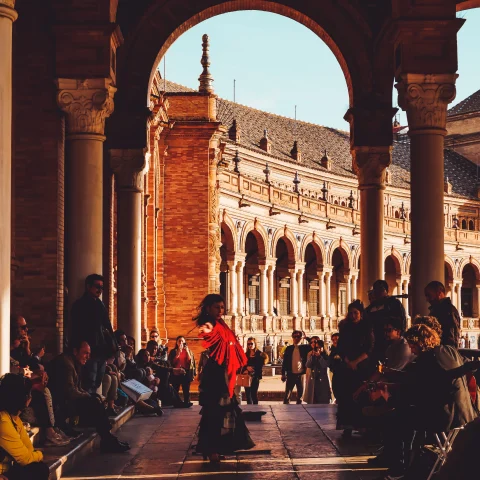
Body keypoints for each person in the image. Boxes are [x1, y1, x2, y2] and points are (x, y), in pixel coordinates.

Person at [195, 294, 254, 462]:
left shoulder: (222, 324)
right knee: (215, 412)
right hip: (215, 374)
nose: (220, 310)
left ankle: (215, 448)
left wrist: (242, 365)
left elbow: (232, 346)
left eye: (222, 307)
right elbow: (204, 331)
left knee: (223, 412)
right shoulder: (210, 324)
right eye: (216, 307)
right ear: (208, 308)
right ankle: (212, 449)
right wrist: (206, 330)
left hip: (225, 372)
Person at [47, 339, 130, 453]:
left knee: (95, 399)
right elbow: (69, 392)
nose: (88, 357)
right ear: (75, 351)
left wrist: (90, 395)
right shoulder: (66, 364)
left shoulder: (73, 362)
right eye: (85, 353)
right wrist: (88, 397)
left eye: (89, 354)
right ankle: (107, 439)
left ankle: (108, 438)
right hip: (60, 406)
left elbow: (78, 388)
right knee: (93, 402)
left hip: (67, 402)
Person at [70, 274, 118, 395]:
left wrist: (113, 346)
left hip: (101, 350)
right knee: (89, 381)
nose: (100, 290)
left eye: (102, 287)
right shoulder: (80, 305)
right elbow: (75, 327)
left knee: (97, 381)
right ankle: (88, 409)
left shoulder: (100, 304)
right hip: (89, 350)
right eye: (97, 286)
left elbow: (107, 326)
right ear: (88, 286)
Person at [336, 299, 374, 436]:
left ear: (361, 314)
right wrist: (348, 361)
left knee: (359, 395)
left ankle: (362, 425)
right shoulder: (345, 328)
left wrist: (356, 362)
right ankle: (347, 426)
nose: (353, 316)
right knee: (346, 396)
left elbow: (369, 348)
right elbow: (340, 347)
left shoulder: (367, 328)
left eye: (355, 313)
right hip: (347, 366)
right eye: (350, 313)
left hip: (362, 366)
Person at [0, 374, 49, 480]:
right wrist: (40, 455)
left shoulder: (14, 418)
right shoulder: (3, 420)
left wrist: (35, 456)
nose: (30, 397)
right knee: (38, 470)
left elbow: (28, 450)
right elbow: (24, 458)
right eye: (29, 394)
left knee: (39, 469)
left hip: (6, 470)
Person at [365, 279, 406, 363]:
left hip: (390, 341)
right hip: (375, 342)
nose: (378, 292)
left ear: (386, 291)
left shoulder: (394, 304)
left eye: (381, 289)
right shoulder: (370, 308)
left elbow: (401, 323)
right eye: (376, 290)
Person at [425, 280, 461, 347]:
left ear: (439, 293)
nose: (427, 299)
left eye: (429, 295)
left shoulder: (447, 311)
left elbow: (450, 339)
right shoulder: (440, 309)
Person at [281, 331, 311, 404]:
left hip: (301, 374)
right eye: (294, 337)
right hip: (291, 373)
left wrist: (306, 338)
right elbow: (285, 362)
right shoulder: (289, 348)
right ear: (292, 338)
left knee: (300, 394)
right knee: (287, 393)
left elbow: (313, 344)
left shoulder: (305, 347)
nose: (296, 338)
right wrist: (283, 373)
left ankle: (299, 409)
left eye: (298, 337)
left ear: (301, 338)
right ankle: (285, 408)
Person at [168, 336, 196, 406]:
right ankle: (176, 402)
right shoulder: (173, 351)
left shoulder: (188, 351)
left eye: (182, 341)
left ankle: (187, 402)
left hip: (185, 372)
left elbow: (190, 362)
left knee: (186, 389)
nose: (181, 342)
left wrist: (187, 351)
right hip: (176, 372)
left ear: (184, 342)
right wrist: (178, 353)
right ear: (176, 342)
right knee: (175, 389)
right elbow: (171, 362)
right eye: (179, 341)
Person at [304, 337, 331, 404]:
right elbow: (307, 365)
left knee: (322, 398)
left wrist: (319, 357)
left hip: (322, 379)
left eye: (319, 347)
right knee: (313, 398)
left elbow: (325, 365)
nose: (318, 349)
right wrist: (312, 357)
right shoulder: (311, 354)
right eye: (316, 348)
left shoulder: (325, 355)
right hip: (313, 379)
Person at [243, 337, 268, 404]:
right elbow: (243, 365)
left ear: (255, 344)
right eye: (248, 344)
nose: (250, 345)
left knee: (254, 394)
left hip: (255, 376)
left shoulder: (259, 354)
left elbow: (260, 366)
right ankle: (249, 410)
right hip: (247, 376)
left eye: (251, 343)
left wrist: (253, 368)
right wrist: (246, 368)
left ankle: (255, 410)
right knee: (248, 395)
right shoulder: (245, 354)